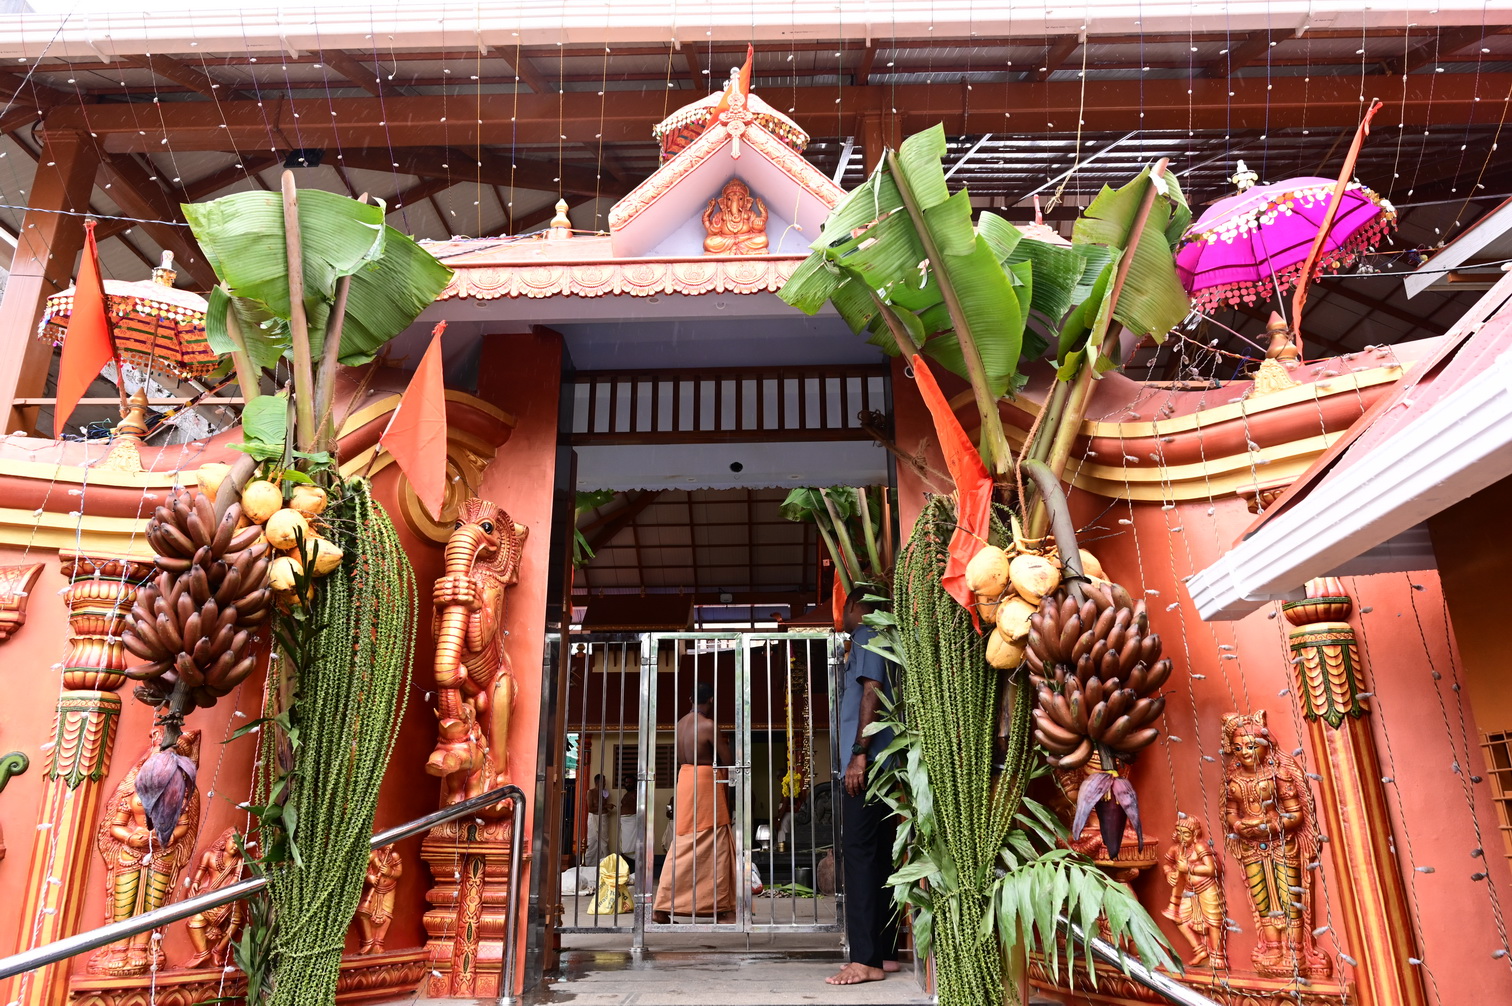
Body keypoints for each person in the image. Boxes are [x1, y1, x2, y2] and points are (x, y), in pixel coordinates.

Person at [827, 586, 902, 986]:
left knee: (858, 857)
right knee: (881, 860)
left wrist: (858, 753)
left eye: (844, 607)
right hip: (887, 766)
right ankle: (885, 953)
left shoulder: (868, 635)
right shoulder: (889, 638)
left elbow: (870, 689)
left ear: (856, 606)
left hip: (868, 766)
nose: (843, 615)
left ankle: (865, 960)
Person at [652, 682, 738, 924]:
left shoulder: (679, 725)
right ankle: (722, 909)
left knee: (682, 843)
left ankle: (661, 907)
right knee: (716, 842)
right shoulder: (708, 726)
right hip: (704, 781)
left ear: (690, 699)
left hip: (685, 779)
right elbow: (728, 762)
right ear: (711, 700)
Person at [582, 773, 612, 867]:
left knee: (604, 842)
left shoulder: (605, 793)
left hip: (603, 818)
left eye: (605, 782)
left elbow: (604, 808)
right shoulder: (590, 792)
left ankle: (604, 865)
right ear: (596, 782)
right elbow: (591, 808)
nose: (604, 784)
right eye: (602, 782)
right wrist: (605, 806)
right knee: (592, 841)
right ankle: (589, 864)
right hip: (593, 818)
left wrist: (606, 807)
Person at [616, 788, 642, 875]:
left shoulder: (636, 793)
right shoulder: (626, 795)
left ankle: (638, 872)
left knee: (633, 846)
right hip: (624, 822)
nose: (628, 784)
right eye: (626, 782)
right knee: (623, 847)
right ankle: (624, 871)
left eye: (629, 782)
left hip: (632, 821)